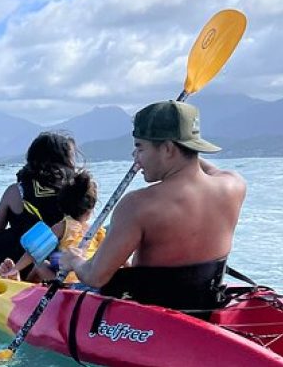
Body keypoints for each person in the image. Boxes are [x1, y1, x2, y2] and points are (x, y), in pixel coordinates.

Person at [57, 100, 247, 312]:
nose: (134, 157)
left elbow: (96, 276)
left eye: (140, 147)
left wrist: (75, 261)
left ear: (167, 148)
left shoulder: (137, 205)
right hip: (206, 305)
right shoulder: (234, 185)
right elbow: (199, 165)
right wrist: (184, 149)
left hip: (153, 315)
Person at [0, 132, 77, 278]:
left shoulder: (15, 191)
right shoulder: (74, 193)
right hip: (57, 262)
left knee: (0, 241)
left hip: (19, 261)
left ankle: (14, 275)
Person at [0, 170, 105, 283]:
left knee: (40, 264)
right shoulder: (98, 231)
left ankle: (24, 285)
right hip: (89, 279)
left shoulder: (63, 226)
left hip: (66, 282)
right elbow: (116, 257)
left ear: (63, 205)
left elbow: (34, 252)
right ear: (91, 208)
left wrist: (15, 269)